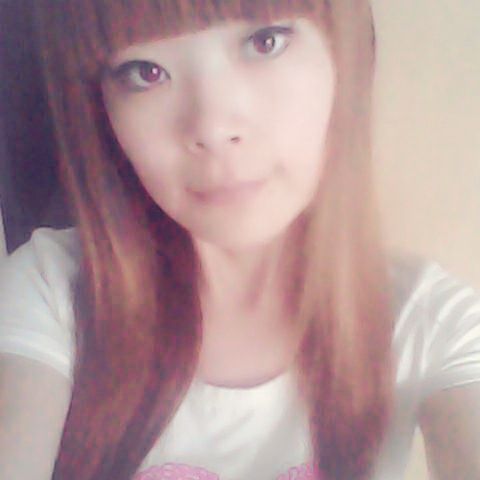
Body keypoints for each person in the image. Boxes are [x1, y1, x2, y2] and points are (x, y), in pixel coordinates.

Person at [0, 1, 479, 479]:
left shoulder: (431, 325)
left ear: (344, 54)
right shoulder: (51, 293)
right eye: (144, 72)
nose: (212, 128)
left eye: (264, 43)